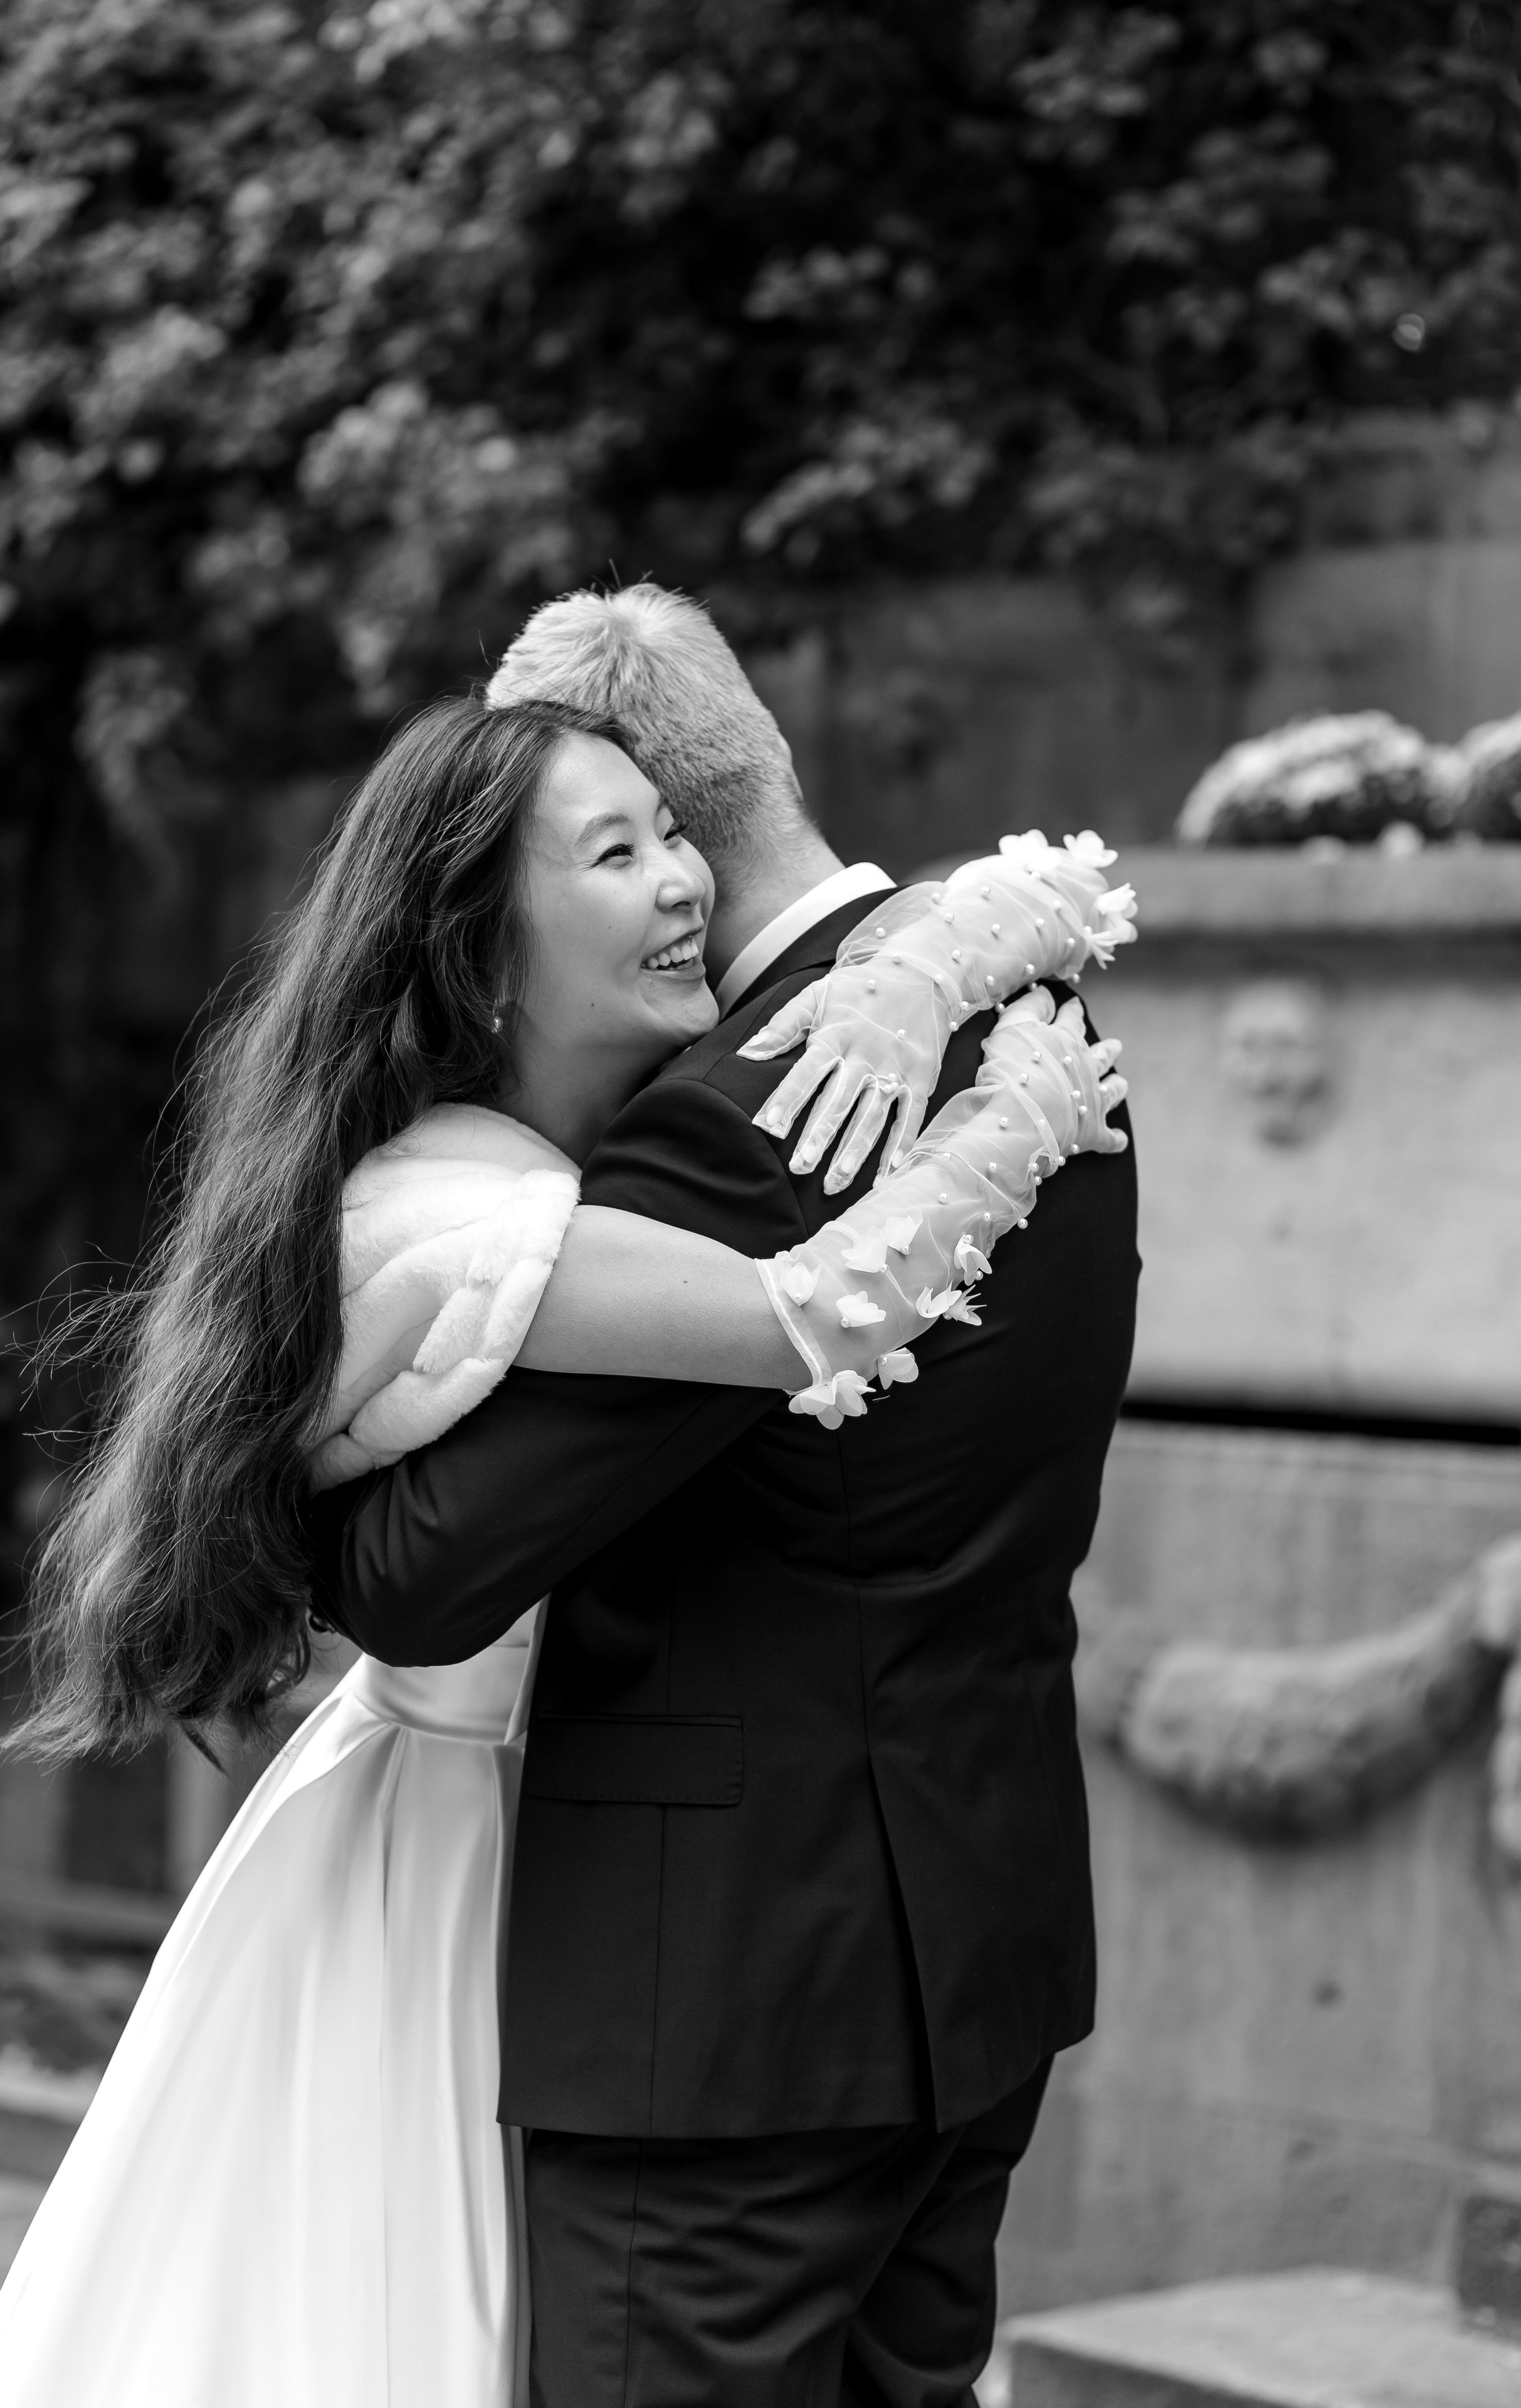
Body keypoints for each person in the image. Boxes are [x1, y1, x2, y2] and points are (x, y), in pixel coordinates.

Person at [0, 665, 1129, 2407]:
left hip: (646, 1909)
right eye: (615, 853)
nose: (682, 881)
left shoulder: (645, 1148)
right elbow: (795, 1324)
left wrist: (963, 954)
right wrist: (1011, 1115)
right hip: (457, 1872)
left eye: (672, 835)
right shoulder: (476, 1204)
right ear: (484, 954)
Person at [307, 585, 1143, 2408]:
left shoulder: (746, 1110)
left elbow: (423, 1579)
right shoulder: (1029, 1001)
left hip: (731, 2019)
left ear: (651, 812)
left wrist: (295, 1453)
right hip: (974, 1950)